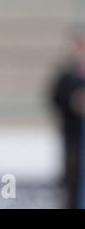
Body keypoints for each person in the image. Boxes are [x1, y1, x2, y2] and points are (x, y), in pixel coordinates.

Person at [50, 26, 85, 209]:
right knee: (73, 180)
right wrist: (73, 101)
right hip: (74, 140)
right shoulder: (66, 75)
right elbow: (55, 98)